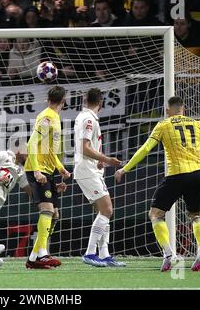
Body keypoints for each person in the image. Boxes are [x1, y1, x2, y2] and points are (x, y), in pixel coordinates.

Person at [115, 96, 200, 272]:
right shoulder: (198, 124)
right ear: (184, 109)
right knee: (195, 215)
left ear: (167, 110)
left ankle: (168, 254)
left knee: (155, 214)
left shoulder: (164, 125)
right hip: (199, 173)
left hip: (177, 174)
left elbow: (145, 149)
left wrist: (125, 169)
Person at [74, 88, 126, 267]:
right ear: (101, 102)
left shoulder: (86, 117)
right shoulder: (88, 119)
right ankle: (90, 253)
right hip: (86, 170)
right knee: (107, 210)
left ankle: (104, 254)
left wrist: (99, 161)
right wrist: (107, 159)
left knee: (103, 212)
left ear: (84, 100)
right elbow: (84, 147)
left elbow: (90, 148)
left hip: (91, 169)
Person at [24, 86, 71, 270]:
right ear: (64, 100)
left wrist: (60, 169)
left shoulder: (55, 118)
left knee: (55, 215)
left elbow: (48, 149)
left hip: (48, 170)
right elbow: (31, 144)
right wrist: (36, 171)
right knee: (47, 210)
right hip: (38, 170)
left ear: (48, 99)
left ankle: (33, 258)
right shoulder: (47, 117)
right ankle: (43, 252)